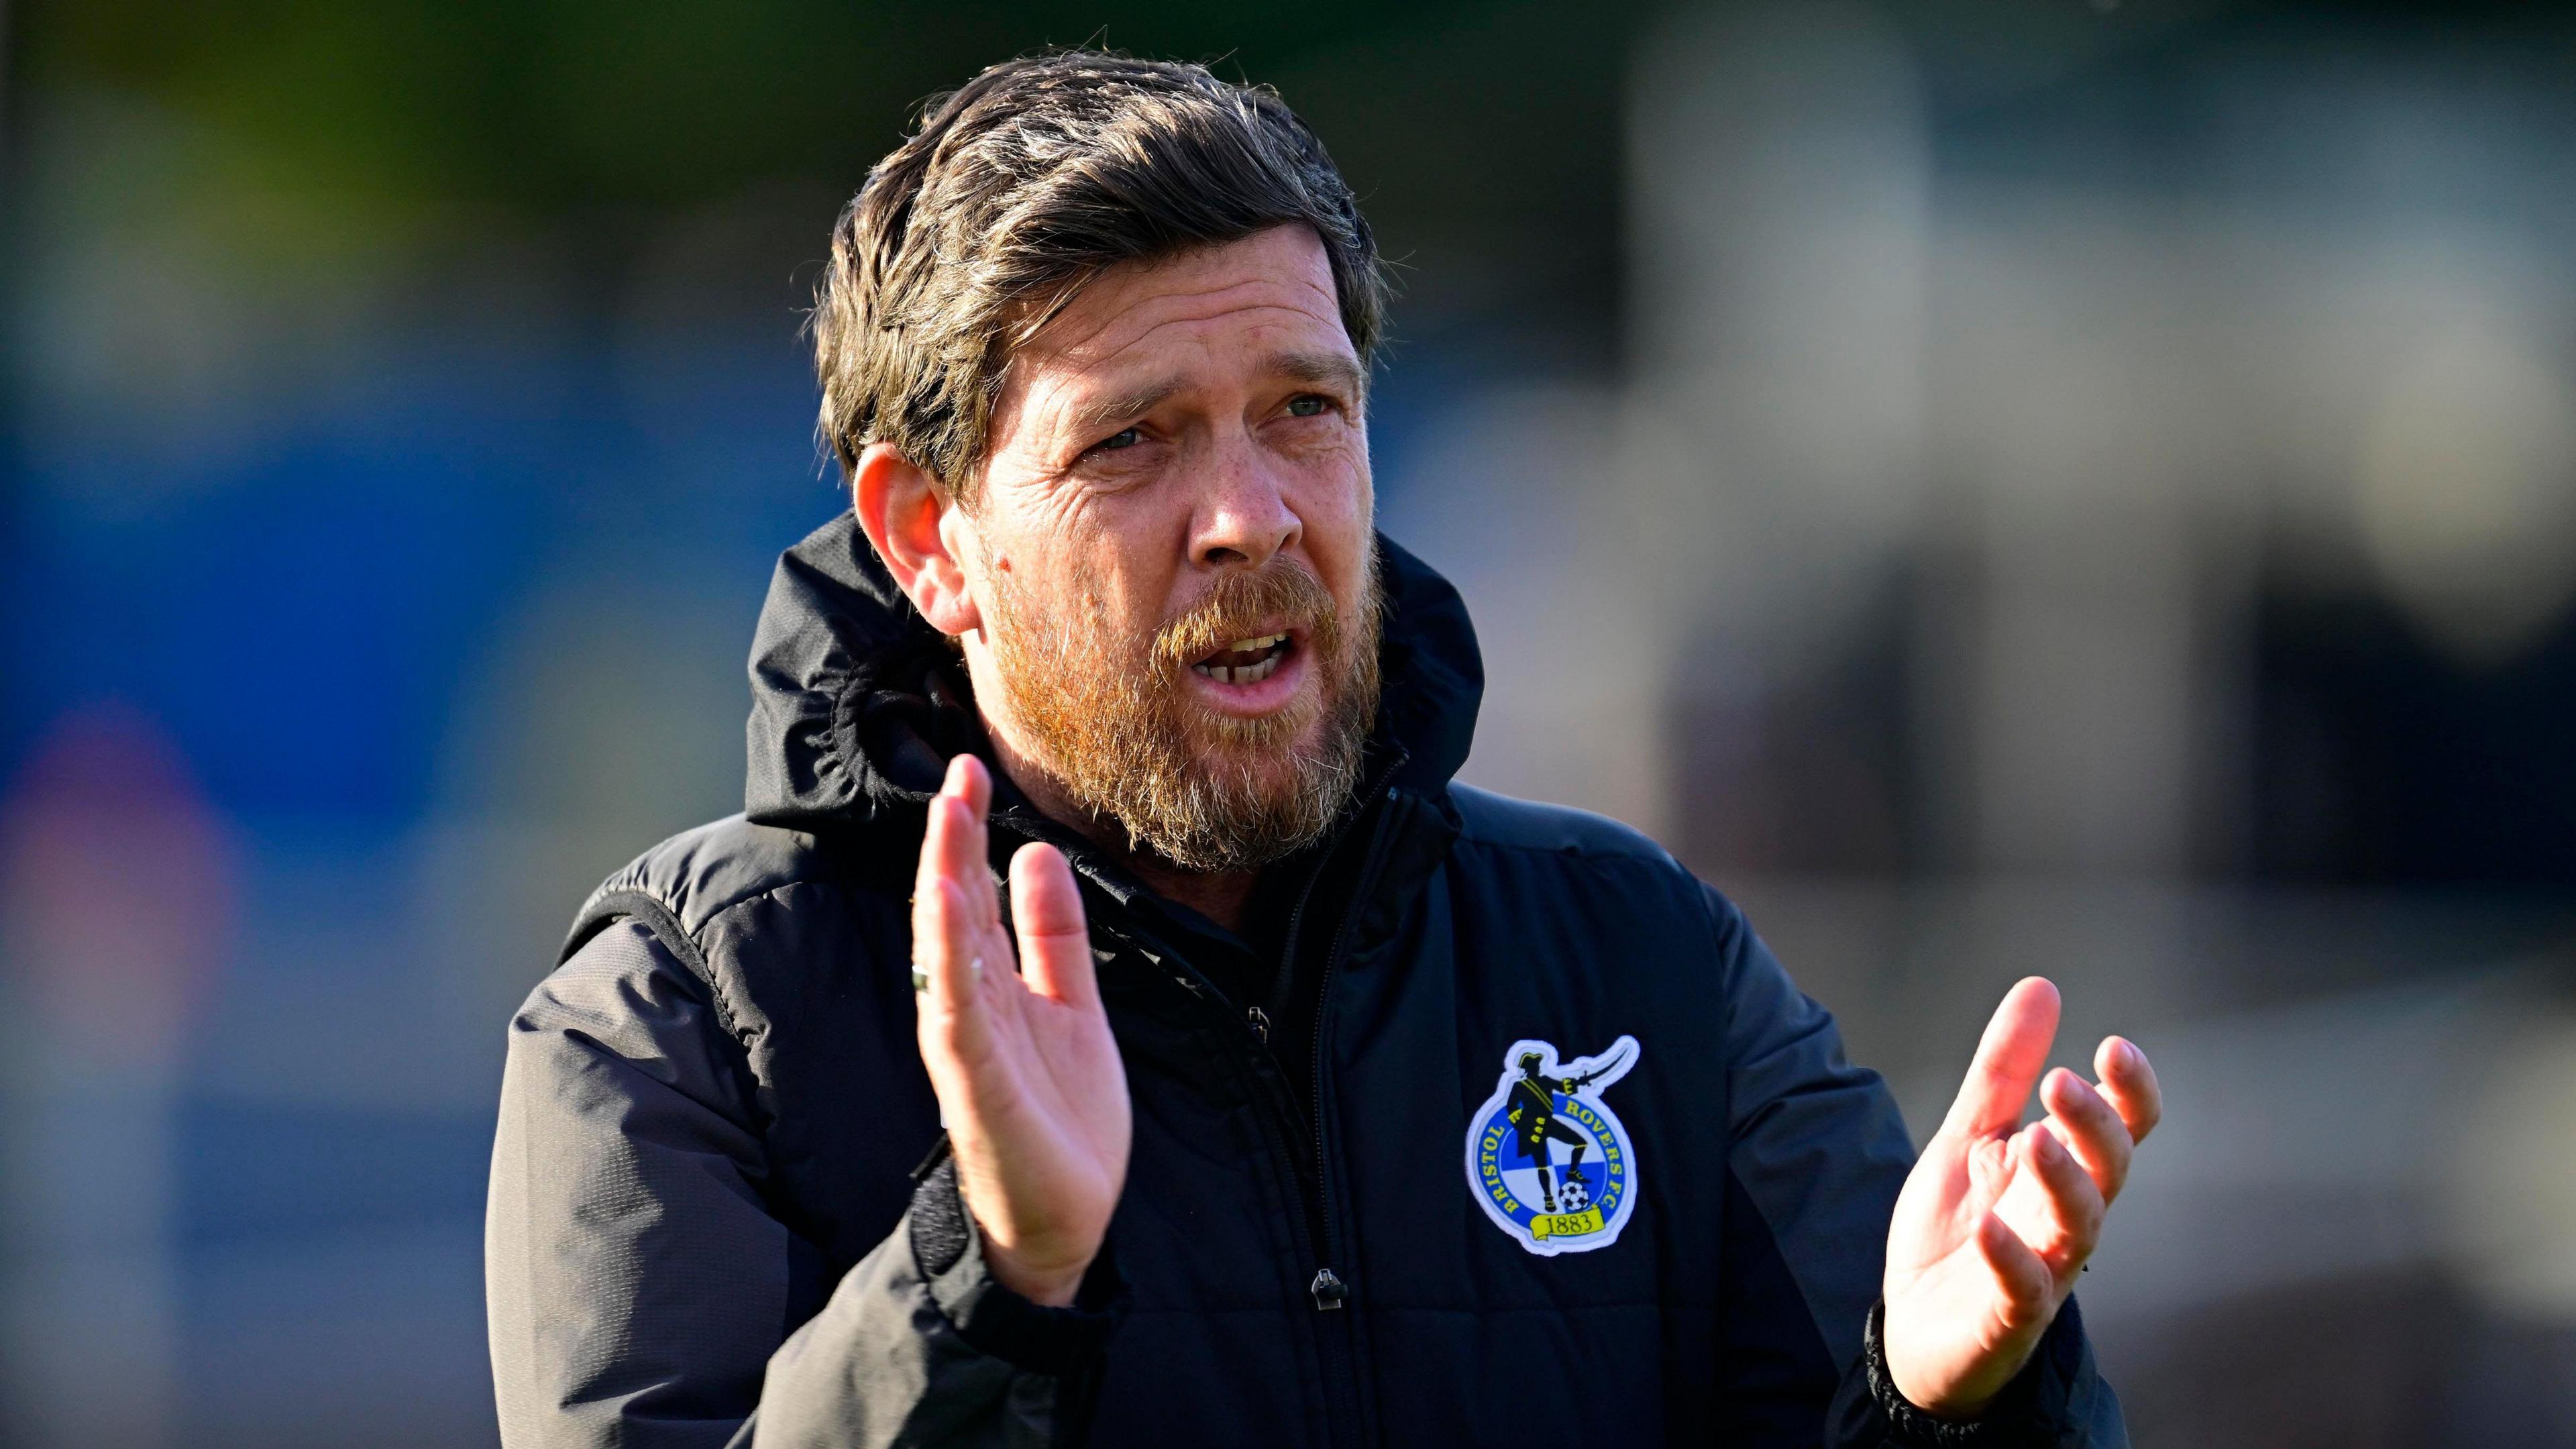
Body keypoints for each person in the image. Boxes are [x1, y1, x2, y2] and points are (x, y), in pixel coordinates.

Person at [485, 50, 2162, 1448]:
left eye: (1306, 410)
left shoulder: (1628, 963)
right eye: (1134, 441)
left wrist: (1957, 1404)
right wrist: (988, 1277)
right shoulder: (695, 1016)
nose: (1249, 516)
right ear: (930, 536)